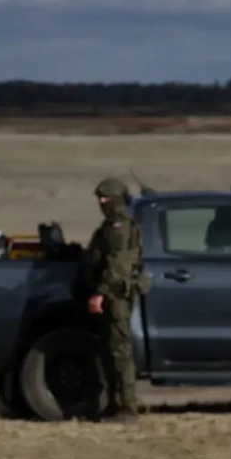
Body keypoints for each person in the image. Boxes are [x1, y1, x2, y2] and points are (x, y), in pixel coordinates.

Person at [81, 177, 143, 422]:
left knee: (120, 351)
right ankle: (115, 403)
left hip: (116, 295)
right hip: (110, 293)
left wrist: (101, 293)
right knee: (109, 351)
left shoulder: (120, 225)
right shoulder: (110, 224)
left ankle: (127, 407)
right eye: (100, 198)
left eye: (105, 197)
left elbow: (118, 263)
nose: (102, 202)